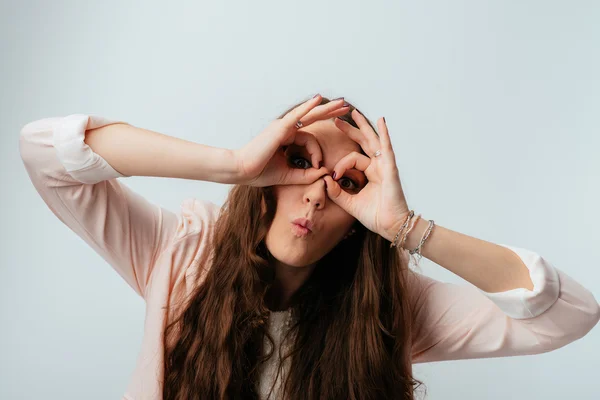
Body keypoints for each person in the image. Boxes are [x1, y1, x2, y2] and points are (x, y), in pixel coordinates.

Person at [19, 94, 600, 400]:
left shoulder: (394, 307)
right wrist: (233, 166)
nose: (316, 196)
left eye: (347, 183)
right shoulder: (180, 253)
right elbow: (46, 153)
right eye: (299, 163)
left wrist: (405, 228)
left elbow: (570, 315)